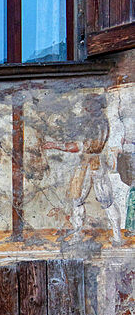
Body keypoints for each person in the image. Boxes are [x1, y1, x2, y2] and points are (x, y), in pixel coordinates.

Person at [44, 95, 121, 245]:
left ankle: (110, 236)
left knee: (93, 200)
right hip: (93, 164)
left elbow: (83, 146)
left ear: (94, 107)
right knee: (87, 200)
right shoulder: (98, 121)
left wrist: (55, 145)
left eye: (88, 105)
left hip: (91, 165)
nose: (85, 108)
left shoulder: (97, 123)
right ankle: (84, 235)